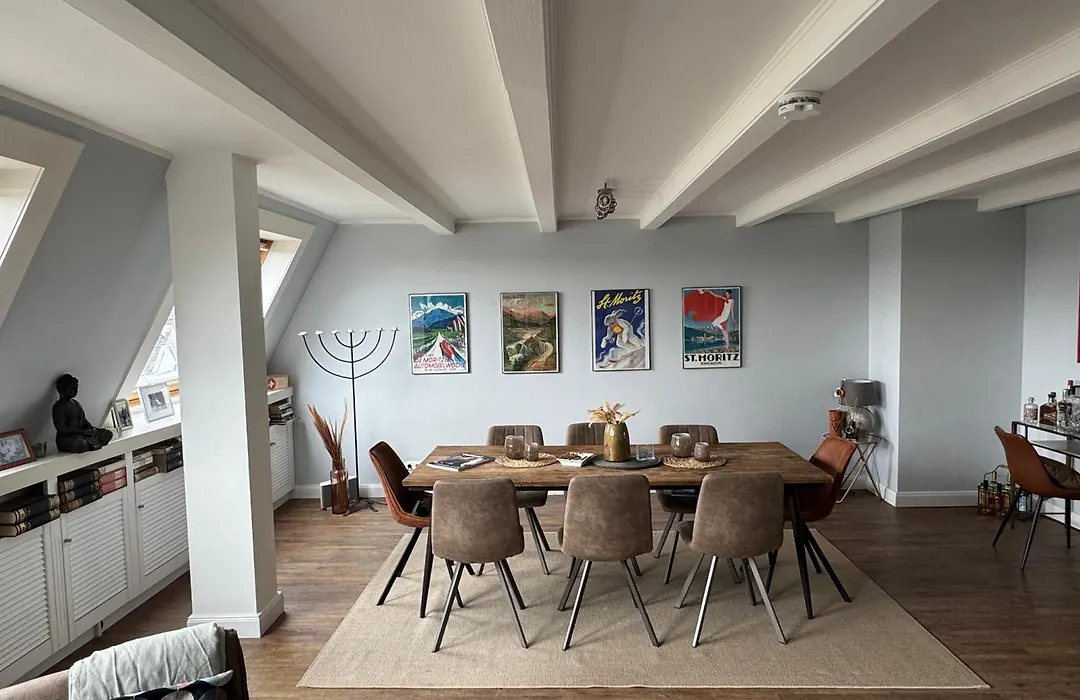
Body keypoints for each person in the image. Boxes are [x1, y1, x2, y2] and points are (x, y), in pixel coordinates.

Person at [52, 374, 112, 453]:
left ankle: (89, 442)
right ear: (62, 389)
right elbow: (62, 428)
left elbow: (83, 420)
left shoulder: (76, 403)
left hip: (82, 434)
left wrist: (91, 428)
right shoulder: (59, 406)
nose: (75, 391)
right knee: (80, 443)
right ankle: (89, 443)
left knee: (107, 434)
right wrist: (81, 432)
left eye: (76, 388)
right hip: (68, 438)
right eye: (72, 389)